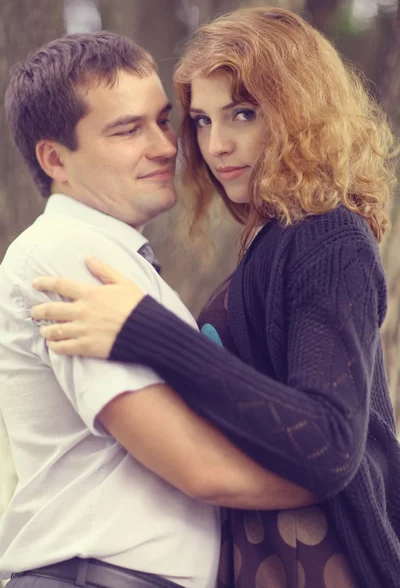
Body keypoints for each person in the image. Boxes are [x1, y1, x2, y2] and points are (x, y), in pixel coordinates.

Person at [32, 7, 400, 588]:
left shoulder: (327, 236)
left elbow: (329, 443)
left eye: (243, 114)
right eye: (202, 121)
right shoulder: (270, 241)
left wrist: (147, 332)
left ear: (298, 112)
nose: (216, 145)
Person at [0, 30, 318, 588]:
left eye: (164, 120)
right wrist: (339, 475)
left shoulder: (122, 260)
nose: (166, 147)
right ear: (55, 159)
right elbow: (200, 466)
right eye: (128, 130)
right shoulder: (68, 254)